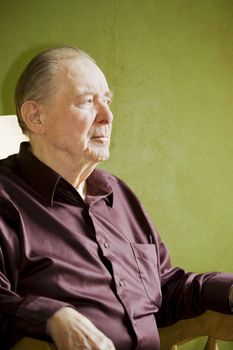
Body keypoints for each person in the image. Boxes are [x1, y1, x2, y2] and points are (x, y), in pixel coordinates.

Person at [0, 46, 232, 350]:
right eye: (86, 102)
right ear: (36, 116)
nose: (108, 116)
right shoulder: (6, 197)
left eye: (107, 101)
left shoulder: (118, 194)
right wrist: (53, 317)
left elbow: (164, 288)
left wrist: (226, 290)